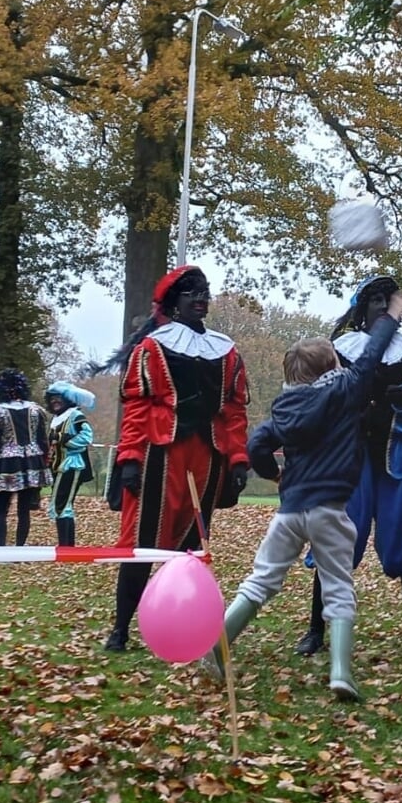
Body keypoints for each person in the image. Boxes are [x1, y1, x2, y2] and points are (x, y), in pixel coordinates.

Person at [200, 291, 402, 701]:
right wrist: (391, 315)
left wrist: (275, 474)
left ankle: (218, 646)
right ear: (332, 365)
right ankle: (340, 672)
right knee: (338, 589)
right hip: (330, 511)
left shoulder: (285, 405)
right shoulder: (347, 390)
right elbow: (370, 357)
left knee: (261, 581)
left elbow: (259, 444)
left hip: (290, 511)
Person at [98, 265, 250, 652]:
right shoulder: (151, 348)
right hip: (159, 457)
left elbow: (233, 412)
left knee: (191, 548)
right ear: (174, 301)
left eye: (205, 292)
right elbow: (136, 407)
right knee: (143, 543)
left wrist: (237, 460)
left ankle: (181, 625)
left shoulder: (226, 349)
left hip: (206, 459)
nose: (201, 299)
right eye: (191, 293)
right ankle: (120, 629)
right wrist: (129, 457)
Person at [294, 276, 402, 662]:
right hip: (350, 466)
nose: (382, 306)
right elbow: (320, 400)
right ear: (361, 308)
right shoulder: (340, 352)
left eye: (387, 299)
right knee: (334, 546)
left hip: (399, 467)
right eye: (374, 299)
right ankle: (315, 630)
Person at [0, 369, 51, 547]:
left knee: (0, 508)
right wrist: (45, 460)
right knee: (24, 509)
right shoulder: (36, 410)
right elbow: (43, 440)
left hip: (6, 461)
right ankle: (20, 547)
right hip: (32, 461)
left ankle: (1, 547)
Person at [44, 381, 96, 547]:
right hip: (58, 466)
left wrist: (66, 440)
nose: (55, 401)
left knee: (62, 504)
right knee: (61, 504)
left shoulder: (75, 416)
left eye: (59, 398)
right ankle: (65, 546)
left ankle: (67, 547)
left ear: (67, 399)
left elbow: (87, 437)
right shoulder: (57, 418)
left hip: (72, 464)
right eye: (52, 399)